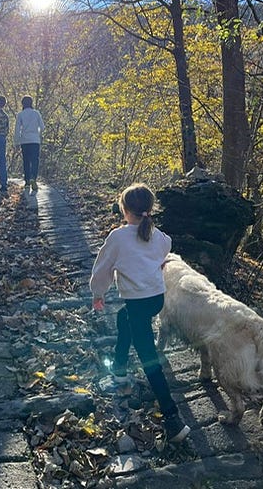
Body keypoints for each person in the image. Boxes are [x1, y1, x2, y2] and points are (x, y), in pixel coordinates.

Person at [90, 183, 190, 443]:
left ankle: (173, 419)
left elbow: (101, 268)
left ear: (124, 209)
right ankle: (120, 369)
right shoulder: (157, 235)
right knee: (123, 319)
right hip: (155, 299)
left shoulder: (118, 237)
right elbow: (167, 245)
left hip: (137, 302)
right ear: (148, 209)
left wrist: (98, 293)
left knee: (149, 359)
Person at [14, 95, 45, 191]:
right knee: (35, 160)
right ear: (31, 103)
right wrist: (37, 133)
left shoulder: (20, 114)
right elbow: (43, 127)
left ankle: (27, 181)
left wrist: (16, 142)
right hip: (35, 140)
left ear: (22, 104)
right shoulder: (36, 113)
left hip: (25, 141)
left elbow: (17, 129)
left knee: (26, 161)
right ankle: (33, 178)